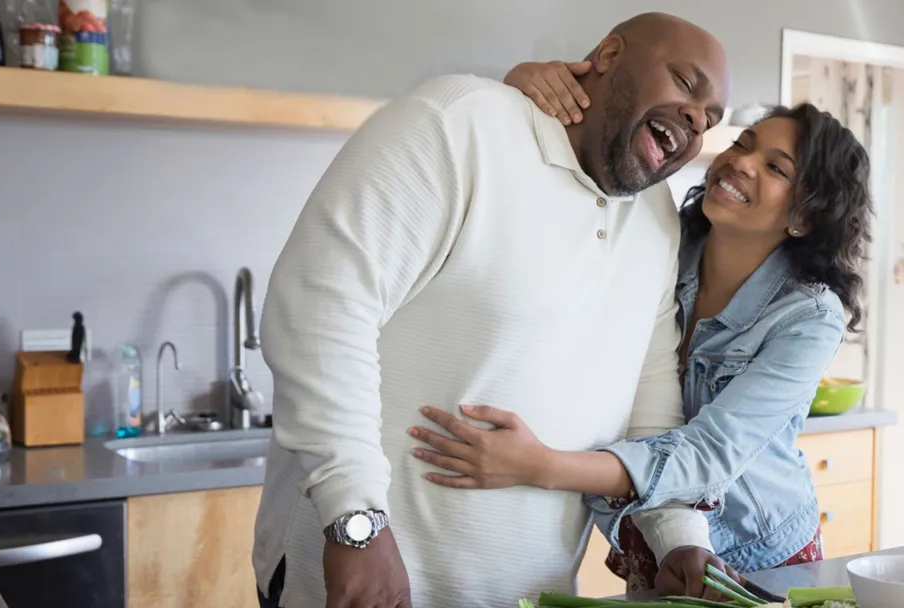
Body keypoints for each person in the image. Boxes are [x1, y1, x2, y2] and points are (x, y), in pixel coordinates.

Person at [254, 12, 732, 607]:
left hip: (533, 593)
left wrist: (678, 539)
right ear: (608, 55)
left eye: (711, 119)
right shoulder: (457, 125)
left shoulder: (657, 219)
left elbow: (651, 401)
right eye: (686, 85)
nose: (696, 119)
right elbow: (319, 308)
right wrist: (357, 522)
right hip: (367, 579)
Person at [409, 60, 874, 596]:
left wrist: (541, 466)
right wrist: (525, 92)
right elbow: (577, 188)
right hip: (653, 535)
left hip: (758, 553)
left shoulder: (810, 316)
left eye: (777, 168)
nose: (742, 163)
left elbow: (706, 454)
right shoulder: (660, 243)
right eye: (743, 144)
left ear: (806, 216)